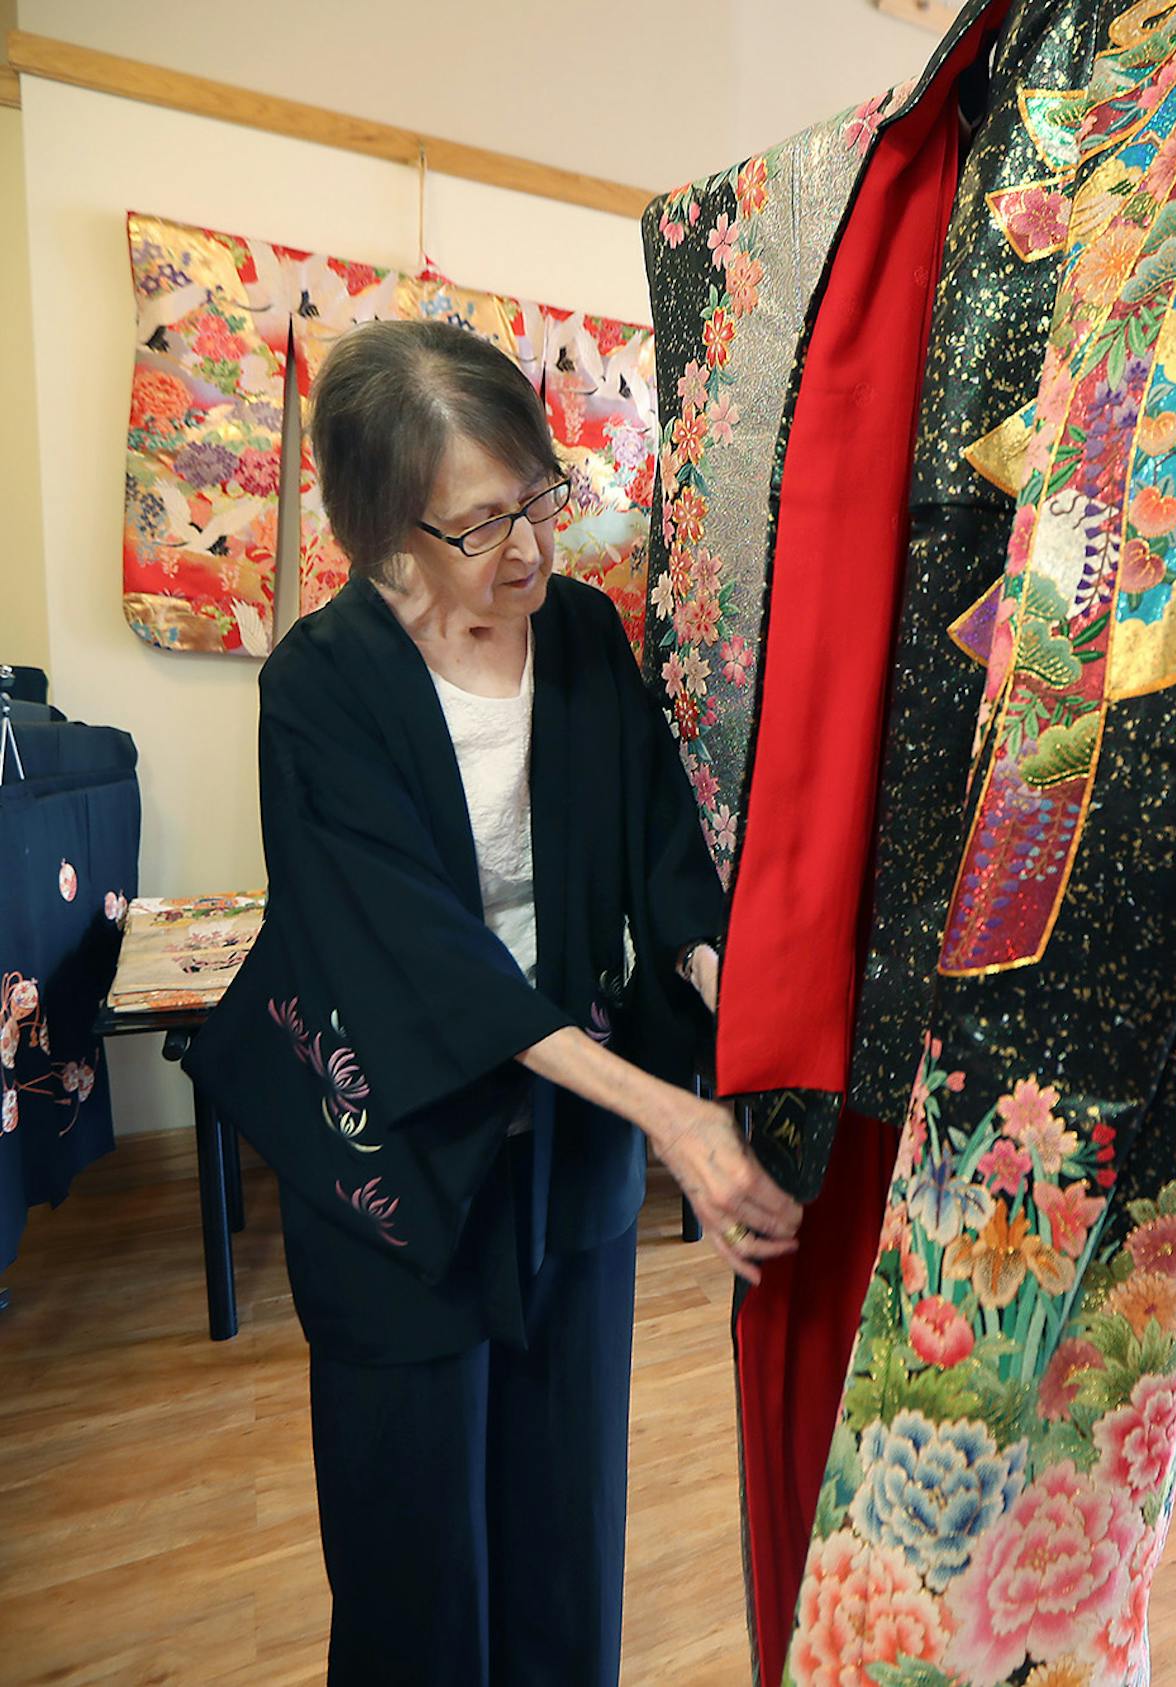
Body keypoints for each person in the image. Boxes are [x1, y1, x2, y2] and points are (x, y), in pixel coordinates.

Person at [185, 319, 801, 1686]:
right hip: (397, 1168)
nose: (528, 548)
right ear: (382, 531)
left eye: (538, 498)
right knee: (416, 1565)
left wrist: (717, 973)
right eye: (480, 524)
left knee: (566, 1530)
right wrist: (669, 1116)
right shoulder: (321, 688)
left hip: (564, 1158)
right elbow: (426, 966)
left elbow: (659, 849)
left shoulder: (575, 634)